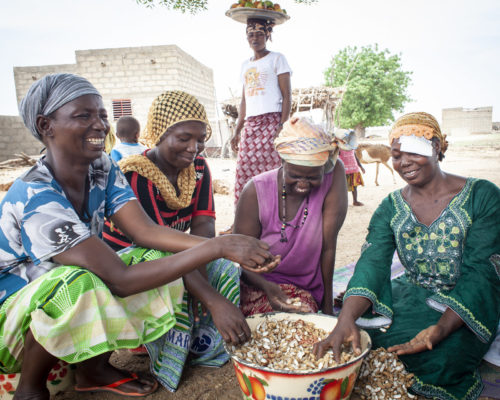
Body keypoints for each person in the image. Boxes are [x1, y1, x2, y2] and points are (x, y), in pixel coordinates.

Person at [0, 73, 277, 399]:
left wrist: (224, 247)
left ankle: (92, 370)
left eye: (102, 115)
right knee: (79, 282)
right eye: (83, 116)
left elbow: (145, 232)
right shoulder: (35, 195)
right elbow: (120, 279)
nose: (100, 125)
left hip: (62, 300)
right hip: (13, 319)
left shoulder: (101, 167)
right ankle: (30, 388)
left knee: (157, 258)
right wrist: (218, 247)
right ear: (45, 125)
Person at [313, 112, 500, 400]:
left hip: (466, 302)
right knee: (359, 336)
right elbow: (373, 262)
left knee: (443, 356)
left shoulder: (482, 196)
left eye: (414, 152)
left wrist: (440, 329)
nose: (404, 163)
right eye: (397, 156)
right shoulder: (390, 207)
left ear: (436, 147)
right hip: (410, 294)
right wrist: (346, 317)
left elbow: (481, 271)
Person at [103, 90, 233, 391]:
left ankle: (202, 343)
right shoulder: (137, 175)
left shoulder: (198, 168)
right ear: (159, 133)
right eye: (184, 138)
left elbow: (204, 226)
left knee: (224, 269)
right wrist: (212, 300)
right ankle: (156, 346)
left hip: (171, 253)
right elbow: (157, 246)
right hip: (130, 265)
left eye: (200, 139)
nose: (194, 148)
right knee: (181, 282)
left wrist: (206, 277)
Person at [234, 116, 348, 317]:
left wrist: (328, 310)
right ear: (282, 162)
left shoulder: (332, 177)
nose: (303, 183)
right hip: (257, 283)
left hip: (302, 288)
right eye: (294, 175)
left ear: (324, 169)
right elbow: (239, 258)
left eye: (312, 177)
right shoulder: (255, 191)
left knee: (299, 322)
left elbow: (328, 247)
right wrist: (267, 287)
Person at [229, 17, 292, 223]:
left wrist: (282, 126)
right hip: (251, 125)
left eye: (259, 34)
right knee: (243, 172)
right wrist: (237, 130)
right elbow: (244, 100)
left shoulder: (277, 59)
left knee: (272, 173)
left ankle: (273, 220)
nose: (254, 38)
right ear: (246, 38)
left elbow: (287, 95)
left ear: (268, 35)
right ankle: (241, 221)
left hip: (272, 122)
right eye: (250, 34)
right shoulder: (245, 65)